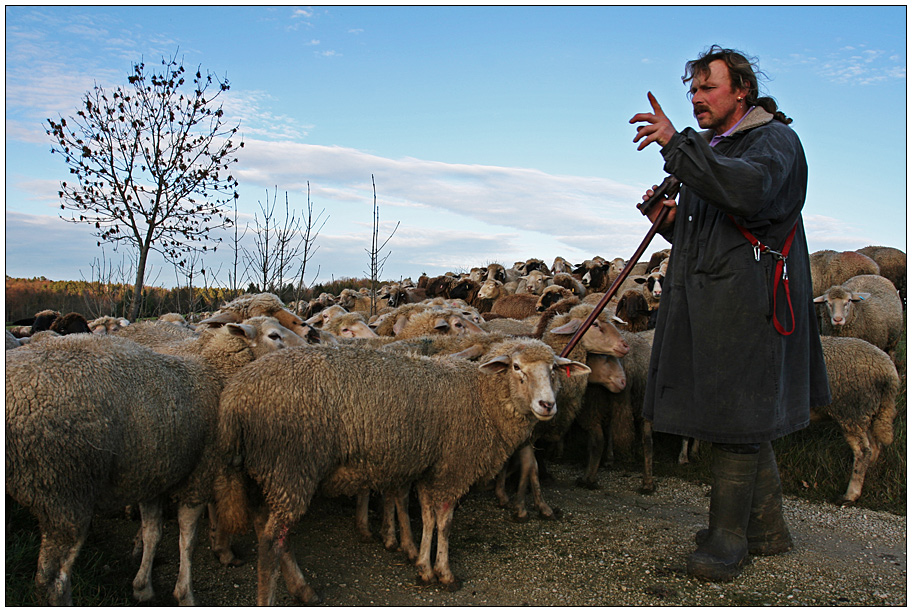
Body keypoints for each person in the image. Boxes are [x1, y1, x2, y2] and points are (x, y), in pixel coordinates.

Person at [628, 45, 831, 582]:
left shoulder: (773, 141)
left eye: (707, 87)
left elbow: (749, 192)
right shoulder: (720, 149)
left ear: (741, 89)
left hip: (753, 305)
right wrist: (671, 219)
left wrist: (677, 145)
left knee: (736, 419)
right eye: (691, 90)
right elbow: (720, 235)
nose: (696, 99)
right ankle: (767, 531)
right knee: (742, 418)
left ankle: (726, 541)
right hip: (720, 302)